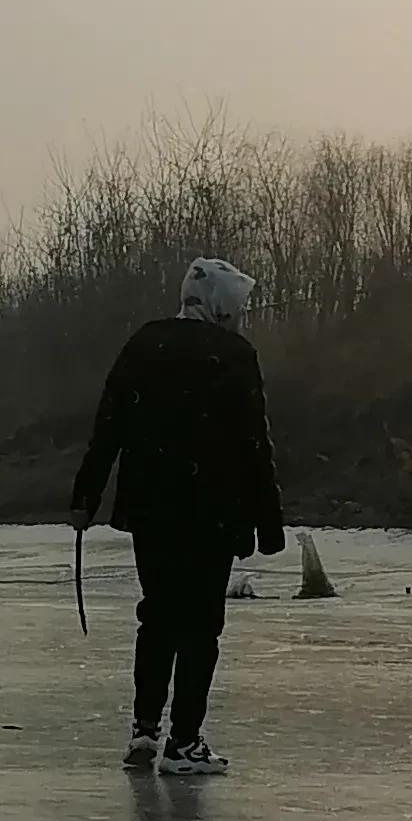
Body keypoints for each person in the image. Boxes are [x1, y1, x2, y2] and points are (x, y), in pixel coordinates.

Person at [70, 256, 287, 777]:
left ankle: (144, 729)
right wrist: (269, 521)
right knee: (201, 627)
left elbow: (109, 426)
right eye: (237, 310)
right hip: (214, 511)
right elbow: (255, 443)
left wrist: (86, 496)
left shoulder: (145, 344)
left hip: (152, 507)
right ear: (222, 308)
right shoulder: (235, 355)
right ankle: (185, 742)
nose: (239, 318)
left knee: (159, 614)